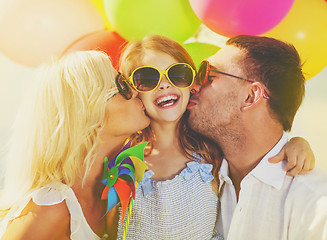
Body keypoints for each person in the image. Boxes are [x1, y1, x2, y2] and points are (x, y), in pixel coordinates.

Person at [109, 35, 315, 239]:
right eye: (146, 79)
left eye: (178, 74)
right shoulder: (122, 163)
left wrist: (296, 143)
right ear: (131, 90)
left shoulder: (211, 154)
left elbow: (251, 145)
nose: (164, 85)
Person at [187, 35, 327, 240]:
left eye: (208, 74)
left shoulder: (315, 205)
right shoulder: (194, 174)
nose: (193, 86)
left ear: (250, 96)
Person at [0, 51, 150, 240]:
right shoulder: (50, 208)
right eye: (122, 85)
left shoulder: (112, 188)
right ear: (92, 115)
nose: (136, 91)